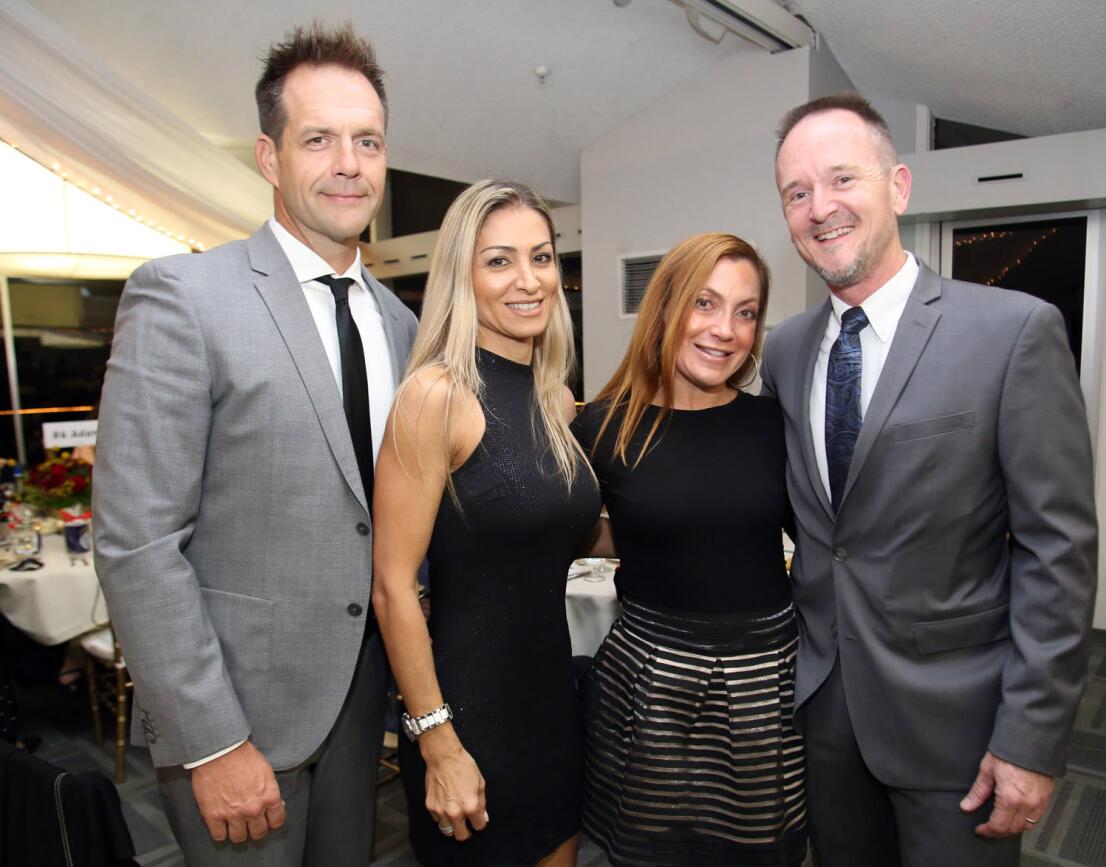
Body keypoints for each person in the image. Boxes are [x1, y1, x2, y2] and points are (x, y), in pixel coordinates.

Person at [93, 23, 417, 864]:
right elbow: (135, 542)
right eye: (320, 139)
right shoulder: (184, 296)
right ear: (270, 157)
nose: (349, 163)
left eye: (367, 140)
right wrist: (210, 739)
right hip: (236, 727)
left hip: (360, 711)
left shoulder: (402, 325)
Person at [761, 91, 1098, 866]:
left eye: (842, 179)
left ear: (899, 187)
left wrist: (1031, 737)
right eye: (797, 192)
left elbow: (1058, 550)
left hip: (961, 730)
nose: (821, 208)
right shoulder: (784, 350)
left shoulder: (1011, 332)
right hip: (826, 717)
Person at [372, 179, 600, 867]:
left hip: (551, 709)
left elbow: (556, 531)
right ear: (462, 276)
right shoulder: (436, 397)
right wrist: (438, 742)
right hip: (466, 717)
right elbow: (391, 586)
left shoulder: (555, 398)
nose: (527, 280)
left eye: (542, 256)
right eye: (499, 260)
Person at [573, 233, 806, 866]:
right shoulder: (603, 425)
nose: (725, 330)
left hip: (764, 680)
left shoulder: (772, 426)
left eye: (745, 311)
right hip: (651, 681)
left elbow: (820, 539)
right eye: (705, 303)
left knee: (759, 853)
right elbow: (561, 532)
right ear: (668, 306)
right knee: (650, 852)